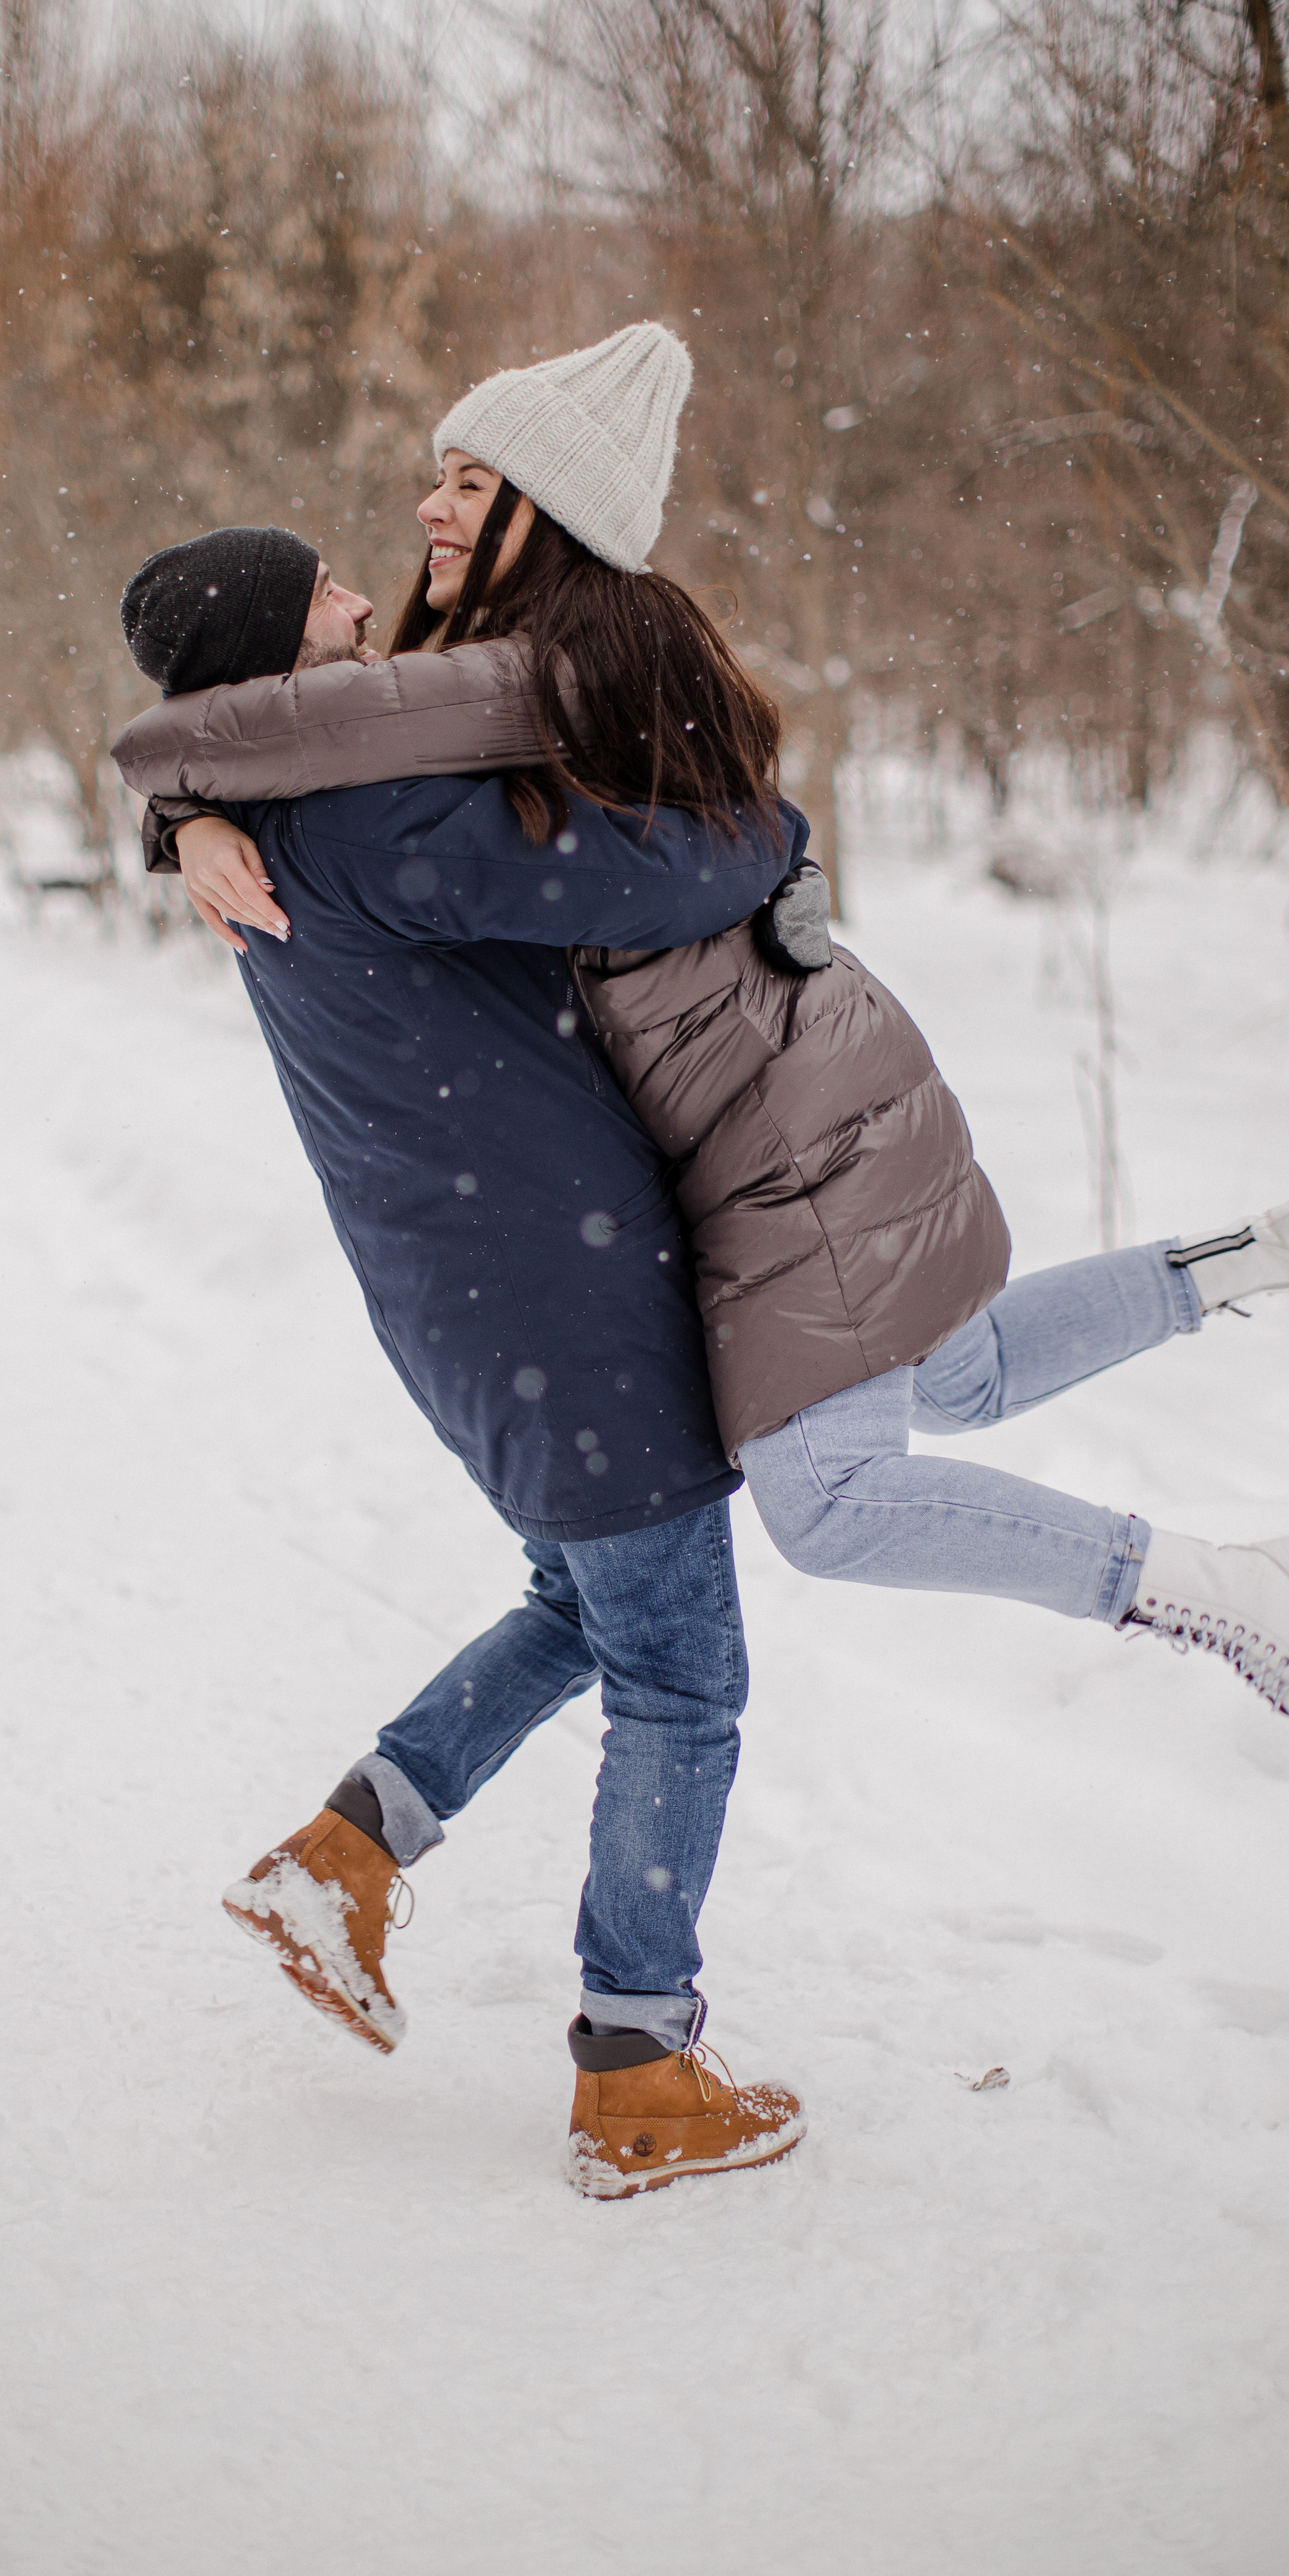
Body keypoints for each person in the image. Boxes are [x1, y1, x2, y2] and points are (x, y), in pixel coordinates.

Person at [119, 325, 1289, 1851]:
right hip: (755, 1089)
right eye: (434, 478)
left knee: (833, 1503)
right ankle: (1281, 1248)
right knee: (961, 1368)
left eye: (467, 481)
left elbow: (668, 836)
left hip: (773, 1106)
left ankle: (1239, 1598)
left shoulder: (566, 666)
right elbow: (282, 716)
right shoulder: (484, 683)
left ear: (551, 506)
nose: (426, 513)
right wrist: (180, 805)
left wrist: (180, 783)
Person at [113, 333, 822, 2199]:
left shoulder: (280, 791)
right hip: (556, 1295)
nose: (375, 575)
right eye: (332, 588)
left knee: (589, 1617)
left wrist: (170, 811)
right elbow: (643, 882)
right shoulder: (370, 808)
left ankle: (341, 1864)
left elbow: (199, 742)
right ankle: (639, 2071)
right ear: (288, 654)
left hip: (468, 1296)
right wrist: (779, 833)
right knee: (681, 1669)